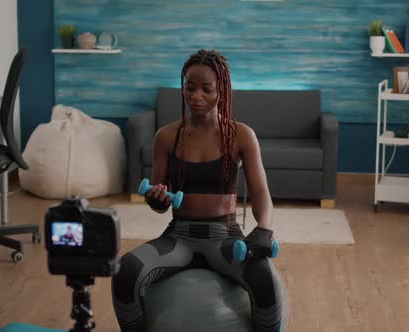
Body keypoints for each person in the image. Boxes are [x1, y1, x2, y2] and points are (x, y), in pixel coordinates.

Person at [111, 49, 287, 332]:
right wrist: (156, 198)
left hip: (225, 238)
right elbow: (160, 204)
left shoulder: (240, 135)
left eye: (206, 89)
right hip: (179, 237)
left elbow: (260, 193)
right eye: (189, 87)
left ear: (222, 91)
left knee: (265, 279)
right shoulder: (166, 137)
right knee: (124, 272)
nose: (196, 96)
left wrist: (264, 228)